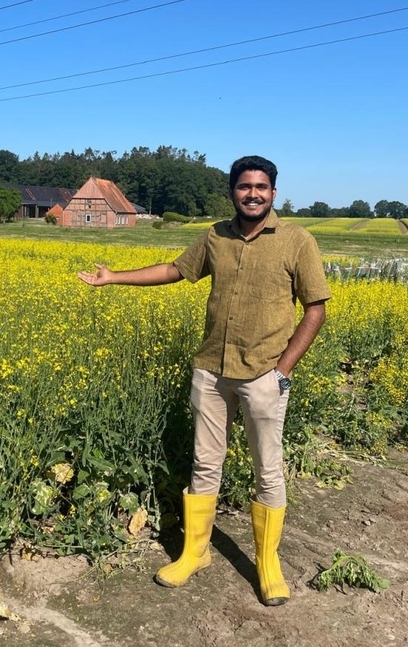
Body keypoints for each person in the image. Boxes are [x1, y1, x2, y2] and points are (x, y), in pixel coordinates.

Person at [77, 155, 331, 606]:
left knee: (267, 471)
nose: (252, 194)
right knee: (204, 464)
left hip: (263, 375)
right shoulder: (215, 236)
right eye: (243, 186)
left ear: (274, 192)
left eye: (261, 187)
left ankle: (267, 564)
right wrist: (113, 277)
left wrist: (283, 371)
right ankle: (195, 552)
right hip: (211, 371)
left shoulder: (297, 241)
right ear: (232, 191)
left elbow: (316, 308)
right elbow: (176, 270)